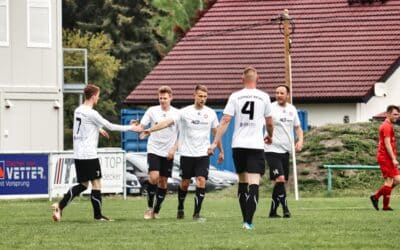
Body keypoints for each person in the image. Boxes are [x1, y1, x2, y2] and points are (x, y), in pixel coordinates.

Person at [51, 84, 140, 222]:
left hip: (79, 153)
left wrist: (98, 128)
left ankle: (60, 206)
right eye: (98, 95)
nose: (98, 98)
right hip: (89, 154)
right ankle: (98, 216)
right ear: (93, 97)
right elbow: (111, 125)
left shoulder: (78, 110)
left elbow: (84, 125)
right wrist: (132, 127)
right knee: (97, 184)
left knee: (83, 185)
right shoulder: (92, 113)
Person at [141, 85, 224, 221]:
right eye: (200, 96)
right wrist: (151, 130)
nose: (202, 99)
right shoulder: (184, 112)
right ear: (194, 96)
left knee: (201, 181)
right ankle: (180, 207)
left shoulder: (211, 113)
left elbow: (216, 133)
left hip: (203, 154)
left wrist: (220, 150)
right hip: (187, 153)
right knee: (184, 183)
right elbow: (167, 122)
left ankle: (196, 214)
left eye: (205, 96)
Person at [208, 66, 273, 230]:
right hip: (256, 145)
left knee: (243, 182)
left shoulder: (235, 96)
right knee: (254, 184)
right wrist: (270, 134)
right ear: (258, 79)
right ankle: (248, 222)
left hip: (238, 145)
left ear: (242, 79)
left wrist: (215, 142)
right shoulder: (264, 97)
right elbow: (270, 122)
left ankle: (245, 219)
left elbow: (225, 121)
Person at [138, 86, 179, 219]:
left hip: (168, 151)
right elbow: (141, 126)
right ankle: (149, 207)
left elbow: (182, 134)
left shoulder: (177, 114)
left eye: (165, 98)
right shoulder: (152, 110)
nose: (162, 100)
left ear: (171, 98)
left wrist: (174, 148)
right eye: (160, 98)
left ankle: (156, 210)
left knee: (163, 182)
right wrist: (137, 127)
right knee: (154, 177)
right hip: (154, 149)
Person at [265, 84, 303, 219]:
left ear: (288, 95)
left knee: (280, 182)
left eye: (282, 93)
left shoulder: (292, 109)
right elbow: (263, 124)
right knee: (280, 178)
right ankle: (286, 209)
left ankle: (273, 212)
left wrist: (300, 141)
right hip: (271, 149)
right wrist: (266, 136)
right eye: (277, 93)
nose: (279, 95)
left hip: (285, 151)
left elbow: (298, 128)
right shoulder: (270, 108)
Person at [370, 105, 400, 211]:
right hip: (385, 157)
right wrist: (393, 158)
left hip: (388, 157)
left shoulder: (388, 125)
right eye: (395, 114)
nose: (397, 116)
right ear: (388, 114)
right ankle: (385, 206)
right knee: (389, 181)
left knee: (397, 180)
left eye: (398, 114)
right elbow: (387, 144)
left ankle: (376, 196)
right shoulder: (386, 126)